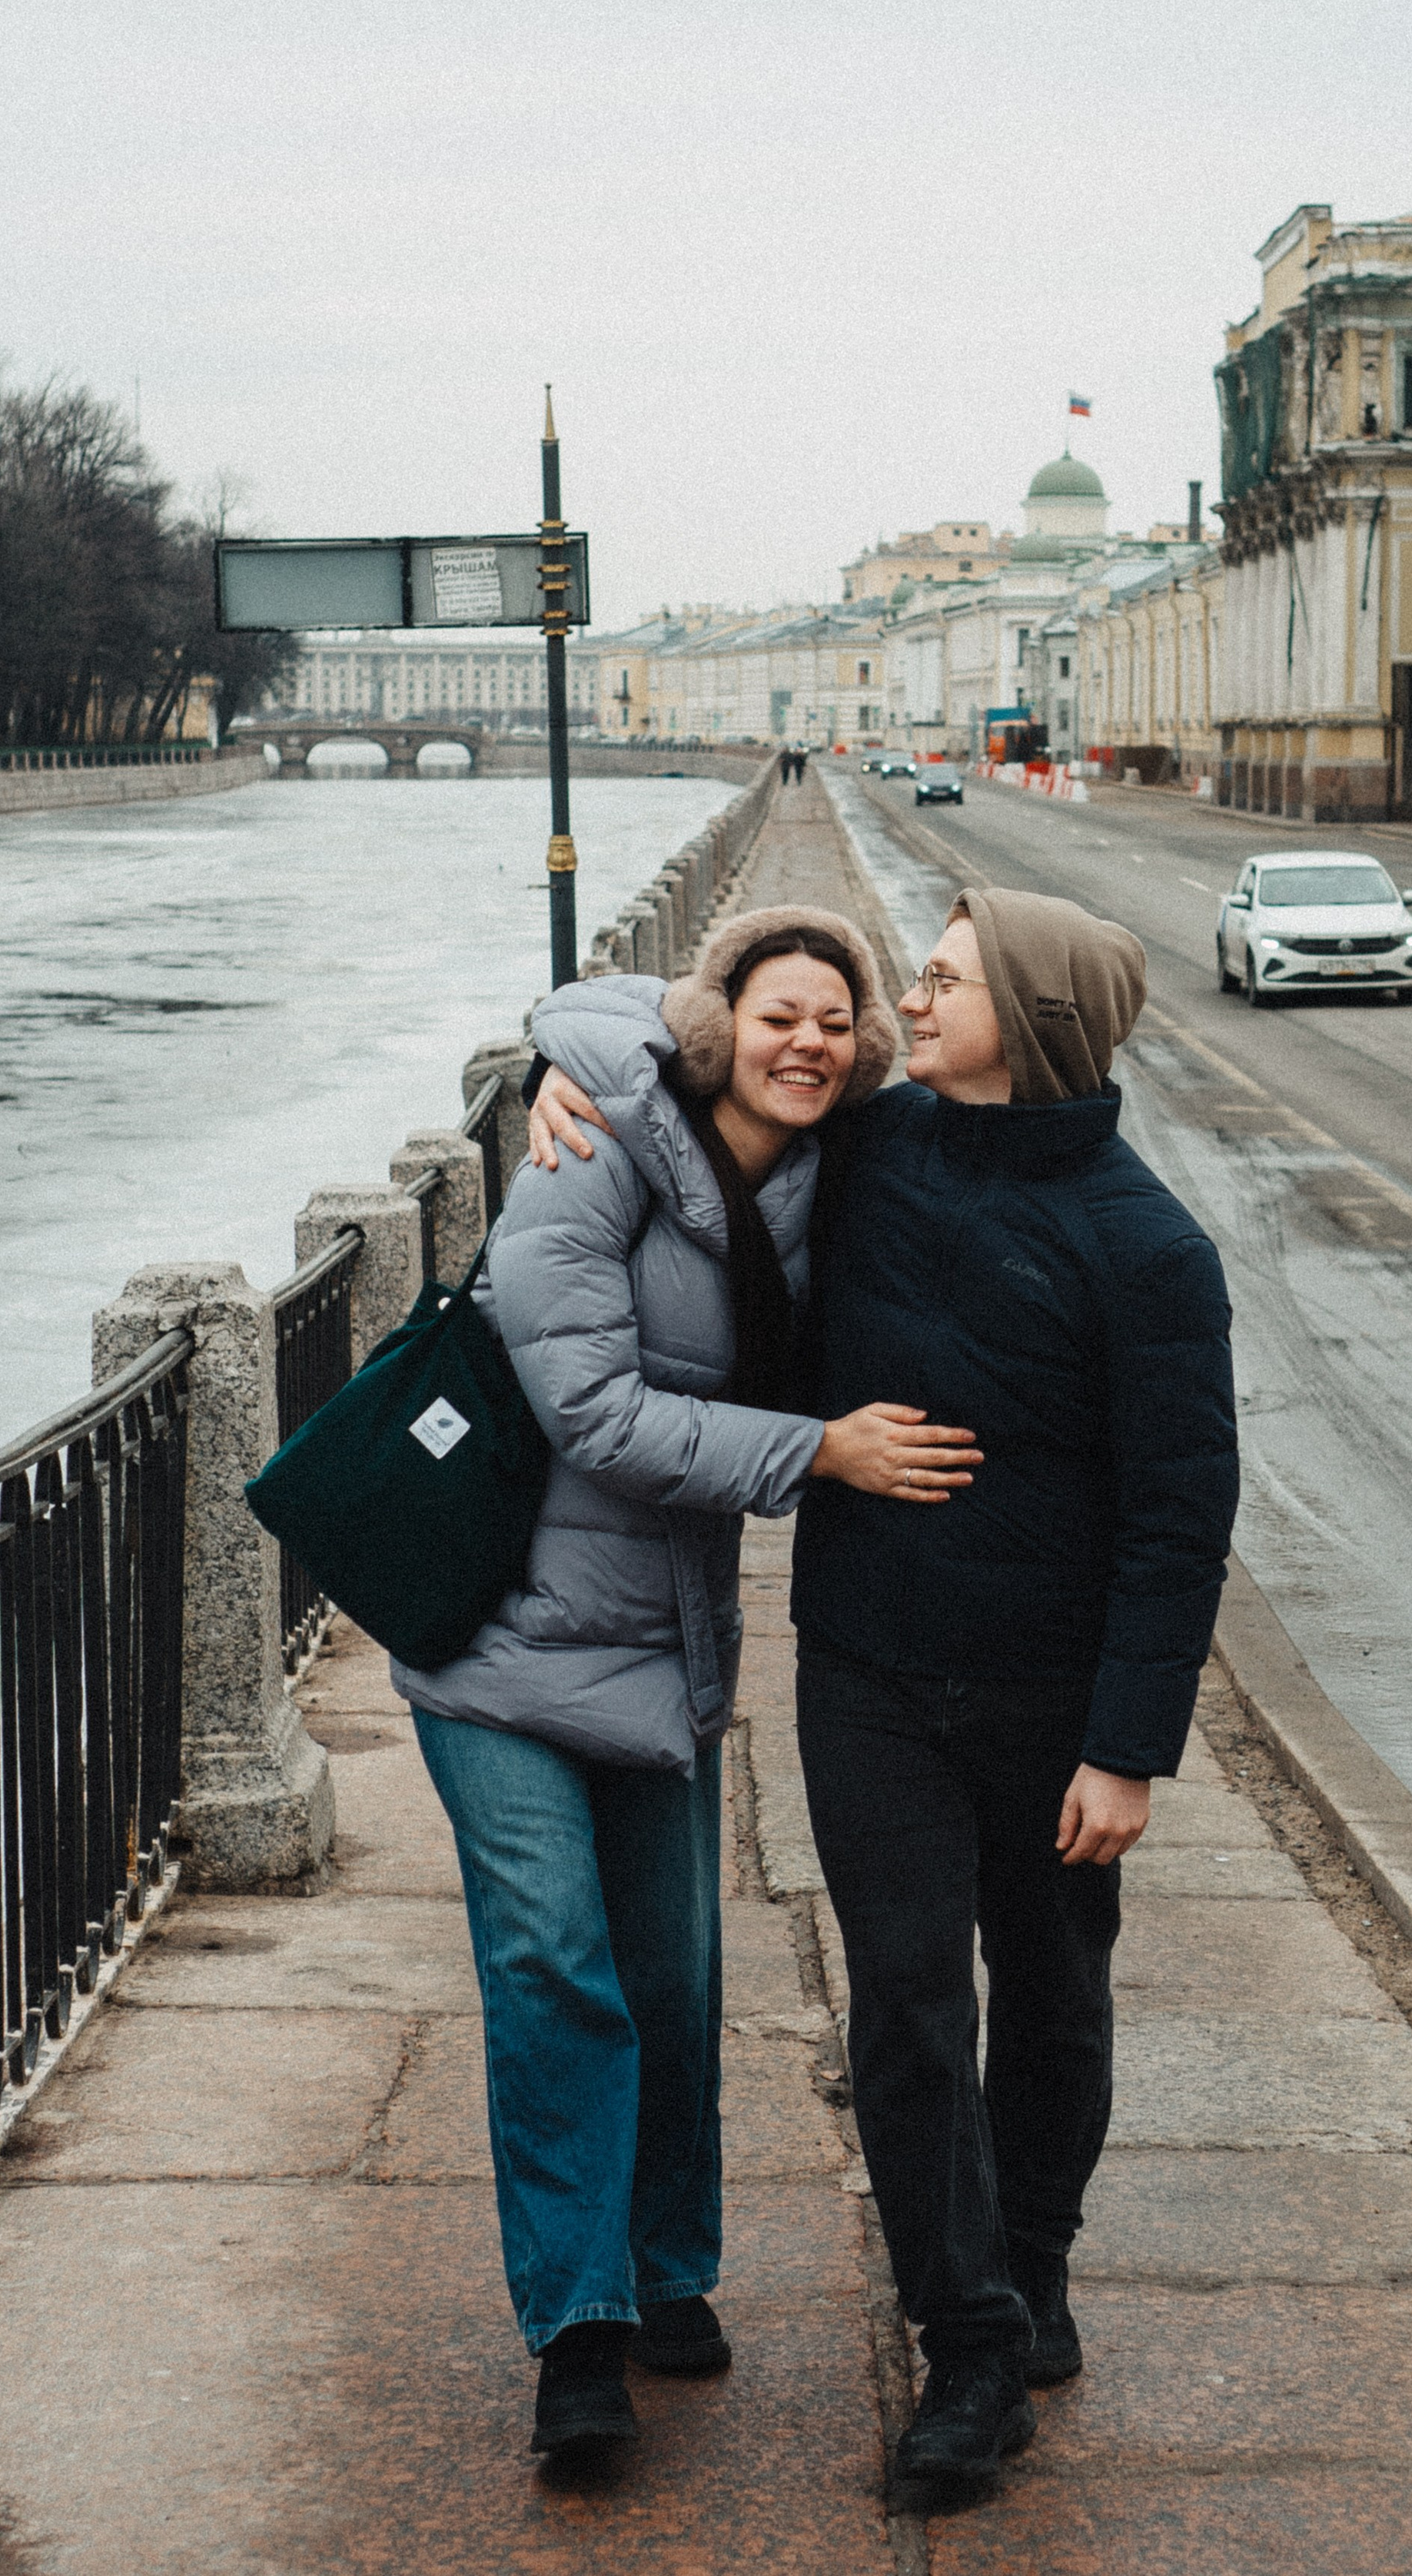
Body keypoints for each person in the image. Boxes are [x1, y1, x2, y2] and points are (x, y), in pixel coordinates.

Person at [527, 887, 1238, 2503]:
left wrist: (1126, 1750)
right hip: (864, 1675)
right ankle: (967, 2347)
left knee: (1050, 1997)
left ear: (1034, 1021)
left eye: (938, 981)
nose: (900, 1002)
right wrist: (543, 1084)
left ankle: (1032, 2262)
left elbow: (1177, 1516)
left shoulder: (1147, 1251)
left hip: (1052, 1704)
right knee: (909, 2007)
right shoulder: (870, 1145)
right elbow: (665, 1036)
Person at [396, 905, 982, 2461]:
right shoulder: (588, 1151)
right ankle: (577, 2336)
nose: (809, 1042)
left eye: (837, 1019)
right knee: (553, 1967)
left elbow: (995, 1112)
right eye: (778, 1013)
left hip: (662, 1648)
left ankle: (665, 2276)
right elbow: (590, 1410)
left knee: (670, 1982)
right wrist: (820, 1452)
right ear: (719, 1020)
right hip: (495, 1635)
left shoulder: (838, 1173)